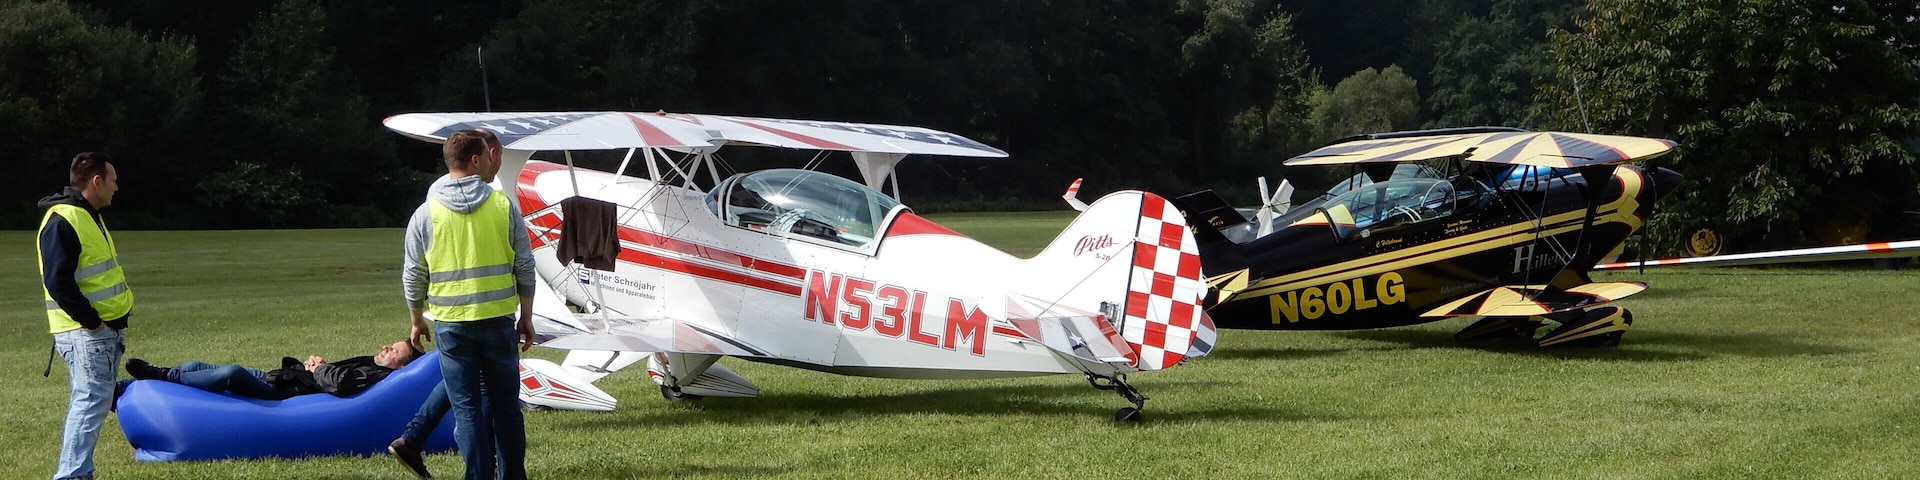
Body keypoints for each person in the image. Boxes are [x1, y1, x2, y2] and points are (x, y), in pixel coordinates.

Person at [402, 129, 536, 480]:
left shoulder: (425, 213)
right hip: (497, 321)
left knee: (467, 411)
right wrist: (527, 316)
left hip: (452, 326)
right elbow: (524, 263)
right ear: (475, 159)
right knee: (507, 409)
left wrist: (417, 320)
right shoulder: (503, 206)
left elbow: (413, 274)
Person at [388, 128, 504, 480]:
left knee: (461, 383)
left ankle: (413, 438)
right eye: (491, 156)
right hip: (483, 311)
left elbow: (414, 270)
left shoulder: (434, 198)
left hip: (448, 314)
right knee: (477, 397)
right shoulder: (491, 201)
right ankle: (484, 467)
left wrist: (416, 317)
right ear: (486, 154)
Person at [40, 152, 132, 480]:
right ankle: (72, 476)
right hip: (86, 334)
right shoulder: (64, 219)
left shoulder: (87, 214)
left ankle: (78, 473)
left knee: (92, 400)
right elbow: (57, 282)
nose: (117, 187)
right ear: (96, 181)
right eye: (113, 180)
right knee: (90, 401)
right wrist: (92, 322)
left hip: (97, 333)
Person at [122, 340, 424, 400]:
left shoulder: (378, 375)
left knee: (232, 373)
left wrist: (320, 368)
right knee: (198, 366)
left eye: (393, 350)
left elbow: (340, 385)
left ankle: (163, 376)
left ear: (400, 365)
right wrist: (314, 367)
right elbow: (332, 376)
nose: (385, 348)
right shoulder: (372, 365)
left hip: (287, 394)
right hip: (291, 380)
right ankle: (125, 388)